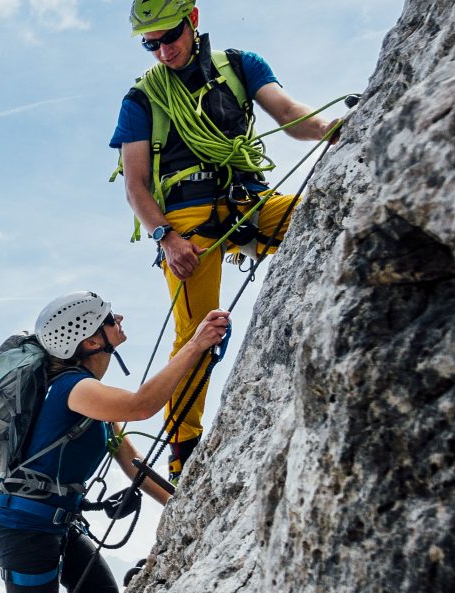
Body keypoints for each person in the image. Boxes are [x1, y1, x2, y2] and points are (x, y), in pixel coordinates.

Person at [110, 0, 339, 480]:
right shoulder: (142, 99)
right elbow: (135, 186)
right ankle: (184, 451)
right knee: (196, 336)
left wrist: (324, 129)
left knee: (330, 213)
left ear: (192, 20)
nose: (161, 50)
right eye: (149, 43)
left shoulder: (240, 66)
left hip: (251, 201)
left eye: (168, 36)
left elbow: (287, 113)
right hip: (186, 223)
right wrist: (165, 237)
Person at [0, 291, 229, 593]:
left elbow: (133, 464)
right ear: (89, 340)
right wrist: (195, 345)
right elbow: (141, 406)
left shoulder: (87, 399)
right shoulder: (75, 388)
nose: (120, 320)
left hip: (55, 523)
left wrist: (179, 506)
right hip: (24, 530)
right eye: (110, 319)